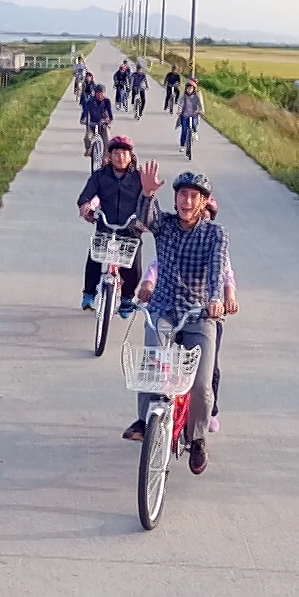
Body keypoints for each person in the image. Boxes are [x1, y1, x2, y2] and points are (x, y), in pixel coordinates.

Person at [125, 166, 238, 475]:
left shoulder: (215, 234)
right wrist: (147, 193)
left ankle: (197, 439)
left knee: (200, 385)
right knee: (150, 369)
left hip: (198, 314)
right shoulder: (166, 226)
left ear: (203, 203)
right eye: (182, 195)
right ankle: (146, 420)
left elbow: (216, 271)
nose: (186, 202)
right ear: (175, 199)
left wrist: (215, 300)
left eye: (193, 196)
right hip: (162, 310)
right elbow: (145, 221)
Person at [74, 134, 145, 313]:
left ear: (131, 156)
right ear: (110, 156)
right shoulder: (100, 176)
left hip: (130, 229)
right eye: (116, 153)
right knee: (95, 258)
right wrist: (86, 206)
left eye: (124, 153)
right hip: (106, 226)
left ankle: (128, 298)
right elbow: (86, 195)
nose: (120, 157)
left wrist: (145, 221)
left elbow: (148, 202)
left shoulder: (138, 178)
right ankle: (88, 294)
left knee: (133, 266)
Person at [80, 82, 113, 159]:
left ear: (104, 93)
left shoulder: (107, 102)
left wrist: (108, 121)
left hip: (103, 125)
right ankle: (89, 150)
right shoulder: (89, 101)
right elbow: (85, 112)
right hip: (92, 124)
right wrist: (83, 119)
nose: (100, 95)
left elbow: (110, 115)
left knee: (107, 139)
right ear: (95, 93)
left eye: (102, 93)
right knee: (87, 137)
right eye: (98, 93)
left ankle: (106, 154)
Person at [175, 78, 204, 152]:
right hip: (185, 115)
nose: (189, 90)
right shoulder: (184, 96)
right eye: (188, 88)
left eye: (191, 88)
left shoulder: (196, 96)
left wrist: (200, 110)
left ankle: (195, 132)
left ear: (194, 89)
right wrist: (179, 111)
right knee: (184, 131)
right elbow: (180, 104)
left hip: (194, 114)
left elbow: (200, 105)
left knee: (194, 124)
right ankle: (182, 146)